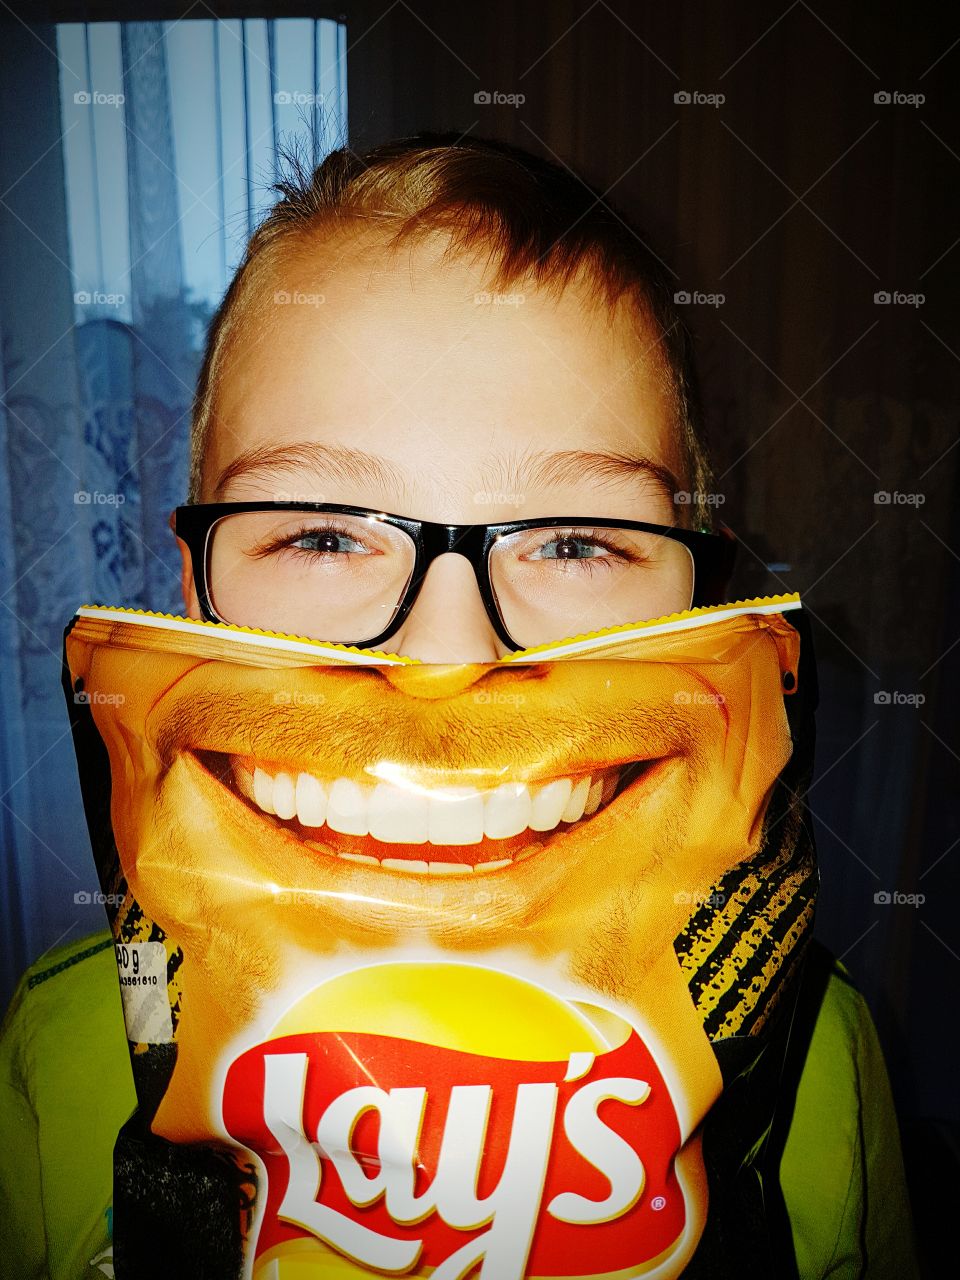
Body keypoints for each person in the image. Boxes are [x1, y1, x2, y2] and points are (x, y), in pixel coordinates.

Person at [0, 132, 919, 1279]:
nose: (449, 654)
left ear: (708, 610)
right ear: (197, 603)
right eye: (325, 534)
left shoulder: (818, 1055)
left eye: (578, 541)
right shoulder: (57, 1043)